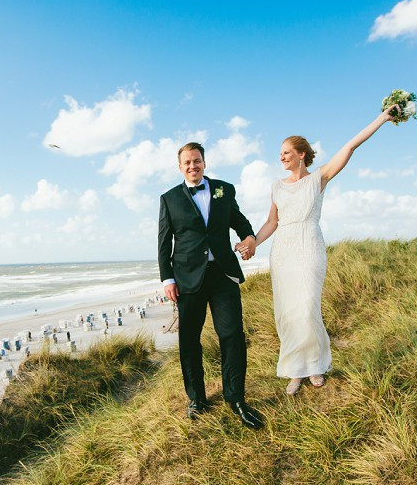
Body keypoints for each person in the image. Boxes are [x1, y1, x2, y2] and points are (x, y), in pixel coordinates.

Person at [239, 107, 399, 395]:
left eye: (287, 152)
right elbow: (271, 222)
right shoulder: (276, 186)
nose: (282, 157)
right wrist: (253, 241)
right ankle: (294, 371)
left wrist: (383, 118)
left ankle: (315, 365)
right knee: (287, 312)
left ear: (302, 154)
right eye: (280, 153)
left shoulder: (319, 179)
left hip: (310, 246)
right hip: (283, 251)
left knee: (307, 307)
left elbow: (350, 146)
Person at [158, 142, 264, 428]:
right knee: (189, 341)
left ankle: (236, 398)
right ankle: (197, 398)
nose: (193, 166)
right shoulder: (168, 199)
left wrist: (250, 237)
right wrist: (167, 279)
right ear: (180, 167)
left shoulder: (223, 189)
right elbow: (164, 242)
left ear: (204, 162)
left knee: (232, 336)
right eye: (187, 163)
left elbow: (239, 221)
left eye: (197, 161)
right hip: (187, 279)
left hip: (222, 275)